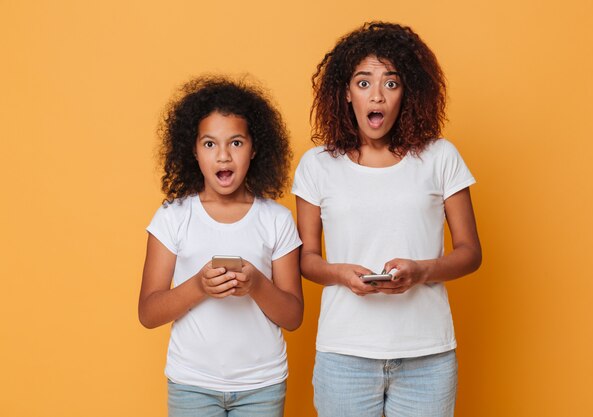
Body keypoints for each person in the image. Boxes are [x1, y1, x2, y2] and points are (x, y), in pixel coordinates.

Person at [292, 22, 482, 417]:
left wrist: (421, 271)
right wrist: (341, 273)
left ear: (407, 92)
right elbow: (307, 259)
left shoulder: (440, 156)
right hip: (344, 355)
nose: (376, 95)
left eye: (390, 83)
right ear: (345, 92)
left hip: (427, 356)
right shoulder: (317, 165)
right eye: (364, 83)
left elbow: (470, 252)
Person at [139, 76, 303, 417]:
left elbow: (293, 317)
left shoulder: (276, 219)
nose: (224, 156)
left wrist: (257, 284)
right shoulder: (174, 216)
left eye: (237, 143)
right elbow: (148, 313)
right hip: (191, 384)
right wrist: (199, 285)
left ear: (255, 148)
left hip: (262, 385)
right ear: (194, 151)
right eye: (210, 144)